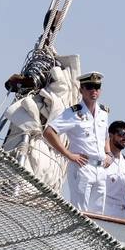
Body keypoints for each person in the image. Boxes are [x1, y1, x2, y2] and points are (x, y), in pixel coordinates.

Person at [42, 71, 110, 213]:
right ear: (81, 90)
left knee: (99, 214)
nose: (94, 91)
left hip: (101, 168)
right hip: (83, 167)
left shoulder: (103, 112)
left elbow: (104, 135)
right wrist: (68, 155)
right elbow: (49, 132)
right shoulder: (73, 113)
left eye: (97, 87)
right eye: (90, 87)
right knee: (81, 213)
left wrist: (108, 152)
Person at [100, 120, 125, 219]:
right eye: (121, 134)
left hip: (124, 216)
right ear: (111, 135)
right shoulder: (101, 159)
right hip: (106, 213)